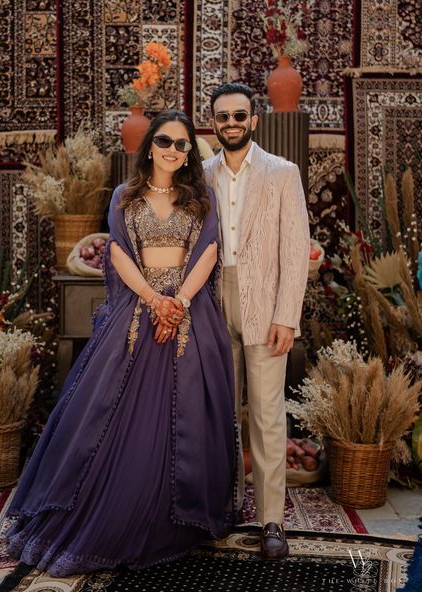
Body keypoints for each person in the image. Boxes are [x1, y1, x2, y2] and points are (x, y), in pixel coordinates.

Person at [5, 110, 237, 576]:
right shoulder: (125, 197)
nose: (174, 151)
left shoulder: (201, 197)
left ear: (190, 153)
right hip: (139, 309)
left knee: (190, 411)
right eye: (167, 141)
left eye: (184, 145)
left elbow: (210, 249)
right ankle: (115, 511)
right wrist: (155, 300)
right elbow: (117, 252)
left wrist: (181, 302)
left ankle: (181, 520)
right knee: (110, 414)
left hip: (189, 313)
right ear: (150, 145)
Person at [203, 82, 310, 560]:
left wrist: (287, 316)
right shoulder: (199, 174)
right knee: (219, 410)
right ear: (213, 123)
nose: (231, 123)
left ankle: (271, 521)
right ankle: (224, 507)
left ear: (254, 121)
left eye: (239, 115)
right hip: (210, 301)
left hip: (265, 305)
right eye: (222, 116)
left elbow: (295, 249)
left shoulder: (282, 174)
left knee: (267, 414)